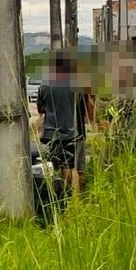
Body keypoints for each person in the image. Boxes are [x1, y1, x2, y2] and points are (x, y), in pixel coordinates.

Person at [37, 53, 94, 192]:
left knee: (58, 168)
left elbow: (40, 109)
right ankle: (76, 198)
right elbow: (88, 108)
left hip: (52, 134)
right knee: (75, 168)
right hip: (74, 132)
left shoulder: (45, 85)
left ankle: (65, 196)